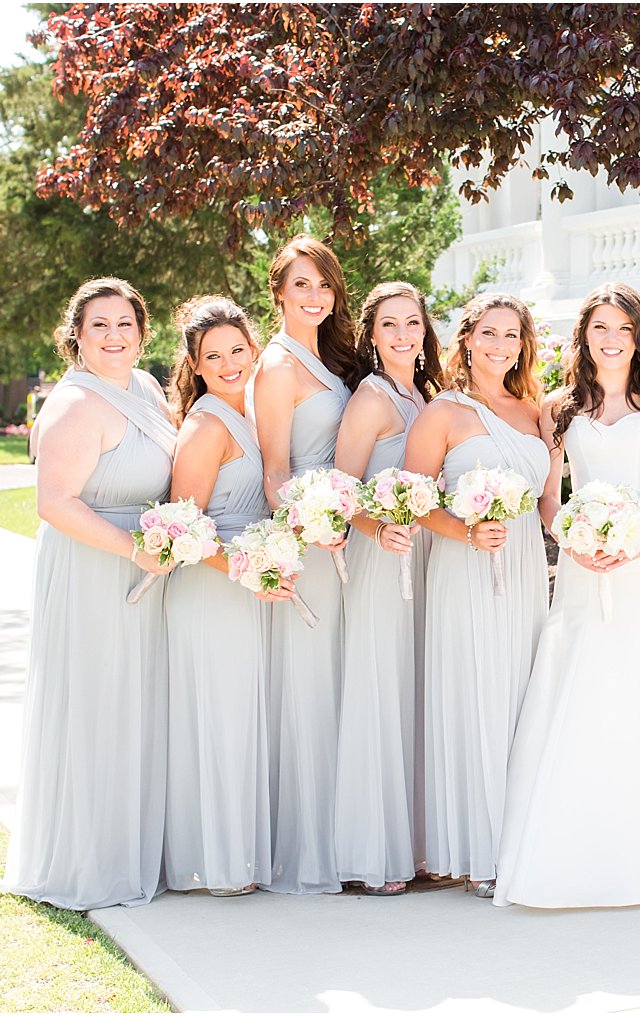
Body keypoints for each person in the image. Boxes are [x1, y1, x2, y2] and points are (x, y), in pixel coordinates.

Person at [493, 282, 640, 909]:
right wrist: (569, 538)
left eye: (623, 330)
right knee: (580, 678)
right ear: (584, 335)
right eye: (600, 328)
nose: (611, 340)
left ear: (639, 337)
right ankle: (570, 846)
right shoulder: (560, 407)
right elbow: (550, 494)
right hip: (580, 564)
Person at [0, 278, 176, 910]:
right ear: (76, 334)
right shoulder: (74, 404)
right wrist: (134, 549)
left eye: (125, 323)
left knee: (137, 702)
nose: (113, 336)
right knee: (96, 701)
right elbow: (53, 503)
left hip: (146, 565)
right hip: (93, 567)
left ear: (142, 330)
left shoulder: (148, 389)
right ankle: (86, 860)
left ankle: (133, 848)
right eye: (99, 325)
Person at [404, 294, 552, 898]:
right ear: (466, 339)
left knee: (522, 695)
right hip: (465, 566)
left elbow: (547, 503)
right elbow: (410, 499)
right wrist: (465, 529)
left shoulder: (535, 410)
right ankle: (477, 850)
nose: (500, 346)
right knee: (475, 693)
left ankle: (522, 841)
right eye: (488, 334)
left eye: (512, 335)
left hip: (523, 569)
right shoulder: (443, 411)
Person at [163, 296, 289, 897]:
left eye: (238, 349)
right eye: (214, 355)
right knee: (220, 717)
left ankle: (248, 853)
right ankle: (219, 862)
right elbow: (183, 530)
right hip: (214, 586)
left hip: (255, 582)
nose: (230, 362)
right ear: (195, 362)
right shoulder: (207, 424)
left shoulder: (259, 415)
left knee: (248, 717)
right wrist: (245, 568)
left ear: (254, 348)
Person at [253, 235, 362, 895]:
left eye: (323, 284)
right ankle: (310, 849)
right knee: (312, 687)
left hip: (348, 532)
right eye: (301, 285)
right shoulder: (276, 366)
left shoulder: (329, 359)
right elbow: (274, 471)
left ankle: (348, 837)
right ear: (279, 293)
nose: (315, 296)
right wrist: (312, 524)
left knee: (344, 684)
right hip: (311, 538)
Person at [333, 282, 444, 896]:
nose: (403, 335)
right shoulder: (372, 400)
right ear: (372, 337)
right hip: (383, 555)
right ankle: (372, 854)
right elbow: (342, 489)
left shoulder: (424, 395)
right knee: (380, 688)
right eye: (389, 325)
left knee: (414, 691)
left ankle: (418, 844)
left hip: (427, 554)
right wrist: (379, 530)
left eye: (412, 323)